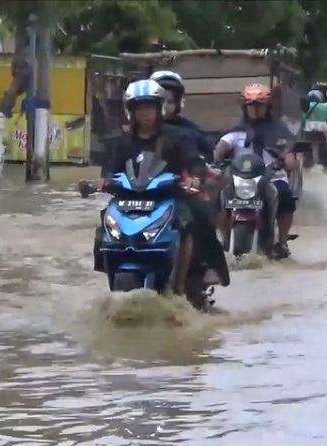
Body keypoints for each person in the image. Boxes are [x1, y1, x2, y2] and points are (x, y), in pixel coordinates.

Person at [91, 79, 230, 294]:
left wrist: (195, 178)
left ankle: (188, 280)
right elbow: (109, 170)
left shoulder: (178, 137)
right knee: (105, 222)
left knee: (197, 216)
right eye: (139, 108)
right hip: (129, 197)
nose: (145, 113)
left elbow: (195, 162)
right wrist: (101, 182)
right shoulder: (122, 142)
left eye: (149, 107)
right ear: (131, 111)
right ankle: (105, 263)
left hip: (170, 196)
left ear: (159, 108)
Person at [212, 83, 298, 258]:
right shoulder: (236, 131)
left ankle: (281, 241)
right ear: (245, 107)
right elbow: (221, 147)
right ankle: (224, 237)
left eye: (259, 105)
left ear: (267, 107)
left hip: (272, 177)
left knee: (286, 197)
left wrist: (288, 160)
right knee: (216, 196)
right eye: (251, 105)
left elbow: (288, 153)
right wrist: (215, 157)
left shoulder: (279, 132)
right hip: (240, 179)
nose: (255, 109)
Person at [149, 70, 214, 161]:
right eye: (161, 101)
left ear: (178, 103)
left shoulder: (191, 132)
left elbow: (207, 156)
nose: (165, 106)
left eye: (170, 101)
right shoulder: (139, 130)